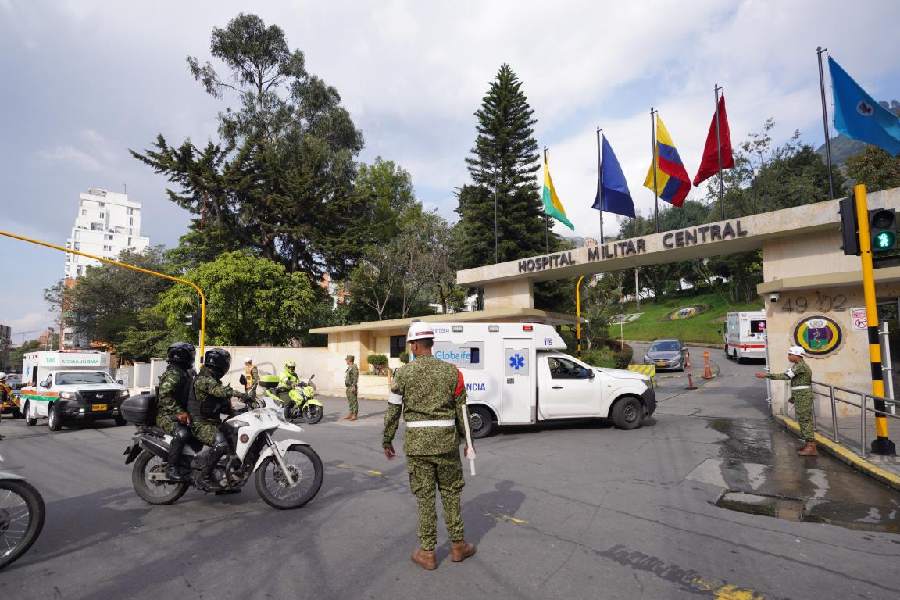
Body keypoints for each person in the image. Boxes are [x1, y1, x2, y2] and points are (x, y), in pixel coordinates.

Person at [383, 322, 476, 571]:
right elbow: (463, 412)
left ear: (413, 345)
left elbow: (393, 410)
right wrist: (469, 444)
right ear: (431, 343)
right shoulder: (453, 372)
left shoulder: (402, 374)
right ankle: (458, 546)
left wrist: (387, 439)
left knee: (425, 498)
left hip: (417, 447)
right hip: (447, 445)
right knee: (451, 493)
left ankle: (427, 552)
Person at [188, 348, 249, 486]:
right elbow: (220, 391)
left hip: (211, 422)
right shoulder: (204, 380)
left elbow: (223, 404)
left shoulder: (212, 380)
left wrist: (238, 413)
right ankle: (205, 476)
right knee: (221, 445)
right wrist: (240, 394)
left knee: (234, 434)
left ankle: (227, 476)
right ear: (221, 364)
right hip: (200, 423)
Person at [756, 346, 816, 456]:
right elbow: (798, 383)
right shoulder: (797, 366)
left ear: (797, 355)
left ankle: (811, 446)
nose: (788, 356)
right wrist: (794, 397)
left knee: (805, 420)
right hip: (800, 396)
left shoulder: (800, 366)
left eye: (790, 354)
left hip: (803, 396)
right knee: (803, 420)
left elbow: (786, 376)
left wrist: (766, 375)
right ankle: (808, 444)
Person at [156, 342, 196, 481]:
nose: (193, 357)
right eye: (190, 354)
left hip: (184, 413)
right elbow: (165, 396)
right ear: (182, 356)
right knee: (182, 433)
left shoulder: (186, 373)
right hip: (167, 416)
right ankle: (171, 468)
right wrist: (180, 412)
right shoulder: (173, 374)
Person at [344, 355, 359, 421]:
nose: (346, 361)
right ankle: (351, 413)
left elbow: (355, 377)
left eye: (347, 360)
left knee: (354, 401)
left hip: (352, 386)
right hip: (348, 386)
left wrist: (354, 386)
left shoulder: (354, 367)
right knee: (350, 401)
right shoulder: (349, 367)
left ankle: (354, 415)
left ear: (349, 360)